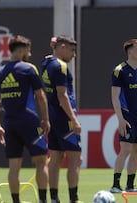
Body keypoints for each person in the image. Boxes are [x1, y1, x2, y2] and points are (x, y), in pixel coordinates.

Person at [0, 35, 50, 203]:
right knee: (41, 162)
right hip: (29, 121)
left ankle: (15, 201)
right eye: (28, 51)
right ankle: (43, 201)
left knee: (14, 167)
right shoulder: (29, 69)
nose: (30, 54)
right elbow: (41, 96)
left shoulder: (0, 73)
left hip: (9, 123)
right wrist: (45, 119)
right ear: (22, 50)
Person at [40, 35, 82, 203]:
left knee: (56, 158)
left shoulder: (46, 63)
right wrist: (74, 119)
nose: (74, 55)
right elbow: (62, 95)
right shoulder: (61, 67)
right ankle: (74, 198)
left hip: (52, 115)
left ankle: (54, 198)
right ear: (62, 47)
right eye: (72, 50)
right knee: (76, 158)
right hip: (65, 118)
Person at [110, 39, 137, 193]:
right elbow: (115, 97)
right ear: (130, 52)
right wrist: (120, 119)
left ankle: (130, 186)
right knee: (126, 149)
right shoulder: (119, 70)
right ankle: (115, 185)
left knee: (136, 150)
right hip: (127, 117)